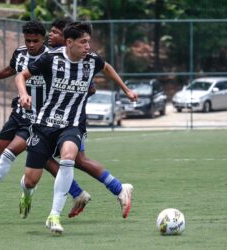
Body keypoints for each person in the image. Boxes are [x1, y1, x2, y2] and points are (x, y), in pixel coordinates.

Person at [16, 21, 138, 234]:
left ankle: (54, 215)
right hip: (44, 124)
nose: (88, 46)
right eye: (83, 42)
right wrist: (24, 94)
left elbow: (107, 68)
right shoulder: (51, 59)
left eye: (88, 42)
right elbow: (21, 76)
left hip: (72, 125)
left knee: (69, 157)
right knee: (30, 180)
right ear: (69, 42)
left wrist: (126, 89)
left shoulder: (92, 61)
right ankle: (26, 194)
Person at [0, 20, 90, 218]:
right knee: (2, 152)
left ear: (43, 39)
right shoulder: (20, 53)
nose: (31, 44)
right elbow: (10, 71)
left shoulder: (52, 58)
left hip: (38, 119)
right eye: (28, 40)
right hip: (18, 114)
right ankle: (67, 192)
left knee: (9, 154)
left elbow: (82, 83)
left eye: (35, 41)